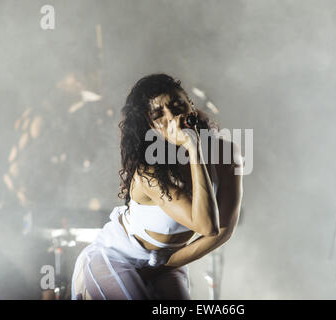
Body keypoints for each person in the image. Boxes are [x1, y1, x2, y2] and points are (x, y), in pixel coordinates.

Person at [71, 73, 243, 299]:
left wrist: (159, 270)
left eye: (177, 105)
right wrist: (193, 148)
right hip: (117, 256)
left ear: (190, 105)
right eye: (158, 114)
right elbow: (206, 225)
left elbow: (221, 231)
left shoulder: (226, 153)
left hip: (167, 263)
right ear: (150, 125)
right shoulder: (148, 171)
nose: (172, 117)